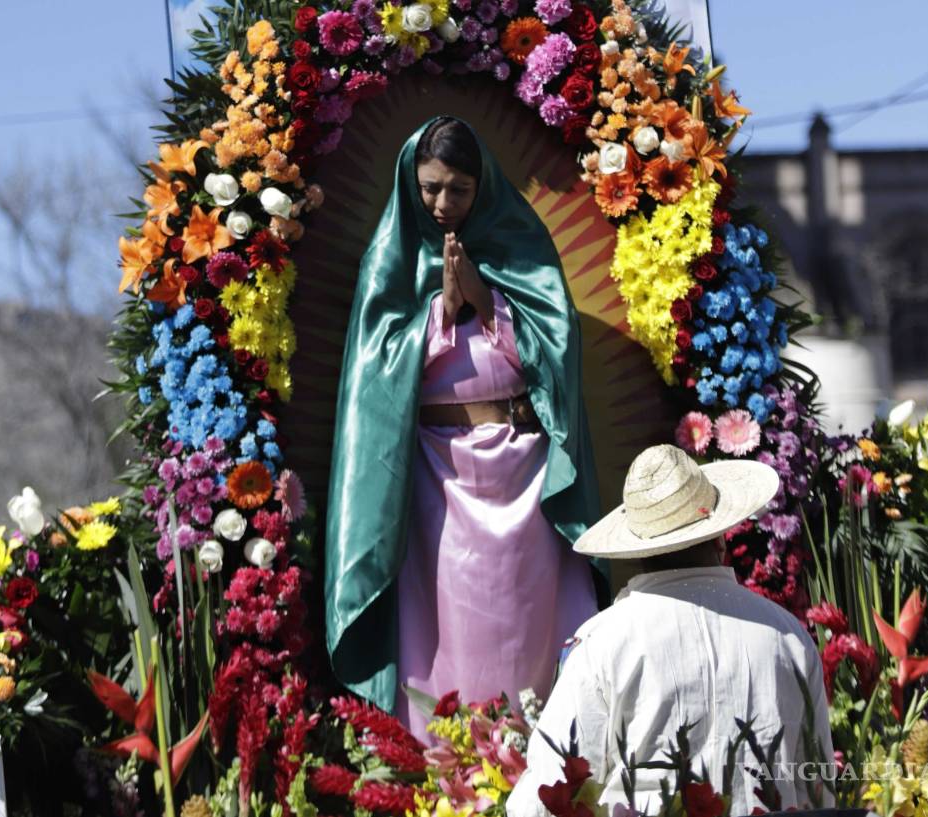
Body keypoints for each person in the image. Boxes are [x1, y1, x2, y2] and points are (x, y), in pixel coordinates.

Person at [324, 116, 605, 734]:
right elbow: (372, 379)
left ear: (483, 187)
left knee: (527, 623)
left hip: (525, 475)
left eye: (458, 188)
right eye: (430, 188)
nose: (444, 203)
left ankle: (548, 760)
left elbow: (557, 354)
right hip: (435, 476)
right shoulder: (390, 263)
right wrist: (441, 314)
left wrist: (488, 301)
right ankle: (447, 770)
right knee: (449, 626)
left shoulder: (520, 248)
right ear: (410, 185)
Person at [506, 444, 835, 817]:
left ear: (637, 549)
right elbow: (818, 789)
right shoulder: (787, 636)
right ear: (721, 537)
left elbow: (549, 792)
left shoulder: (602, 643)